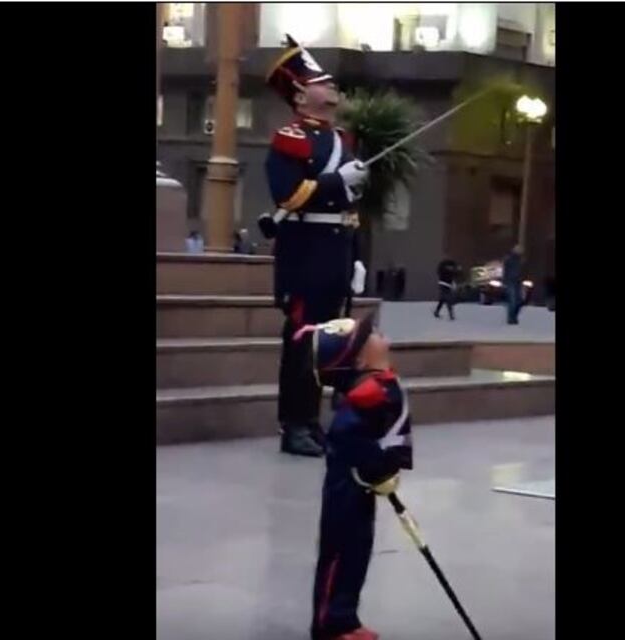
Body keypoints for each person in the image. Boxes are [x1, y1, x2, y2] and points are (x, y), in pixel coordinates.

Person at [259, 34, 369, 457]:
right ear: (302, 94)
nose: (331, 85)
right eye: (322, 81)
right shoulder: (291, 138)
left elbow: (350, 207)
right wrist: (335, 182)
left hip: (336, 251)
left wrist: (356, 257)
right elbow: (288, 194)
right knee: (303, 340)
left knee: (329, 341)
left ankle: (313, 420)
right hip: (305, 253)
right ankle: (295, 424)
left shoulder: (343, 139)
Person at [291, 314, 412, 640]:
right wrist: (378, 467)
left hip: (362, 491)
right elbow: (353, 442)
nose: (379, 333)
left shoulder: (376, 388)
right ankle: (328, 625)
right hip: (347, 492)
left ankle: (346, 617)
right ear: (360, 359)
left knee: (358, 553)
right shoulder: (359, 403)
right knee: (339, 555)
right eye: (369, 335)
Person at [503, 243, 524, 325]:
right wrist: (505, 281)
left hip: (518, 281)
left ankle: (513, 316)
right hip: (510, 281)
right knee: (513, 300)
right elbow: (505, 271)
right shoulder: (509, 259)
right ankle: (511, 318)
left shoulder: (520, 260)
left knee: (519, 300)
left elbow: (522, 271)